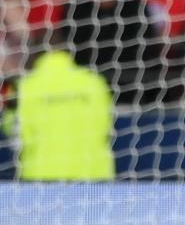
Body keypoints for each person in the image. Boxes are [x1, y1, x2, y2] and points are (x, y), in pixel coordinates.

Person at [15, 43, 114, 180]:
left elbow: (19, 133)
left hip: (40, 176)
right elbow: (105, 126)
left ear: (34, 55)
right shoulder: (95, 82)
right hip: (93, 175)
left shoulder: (25, 86)